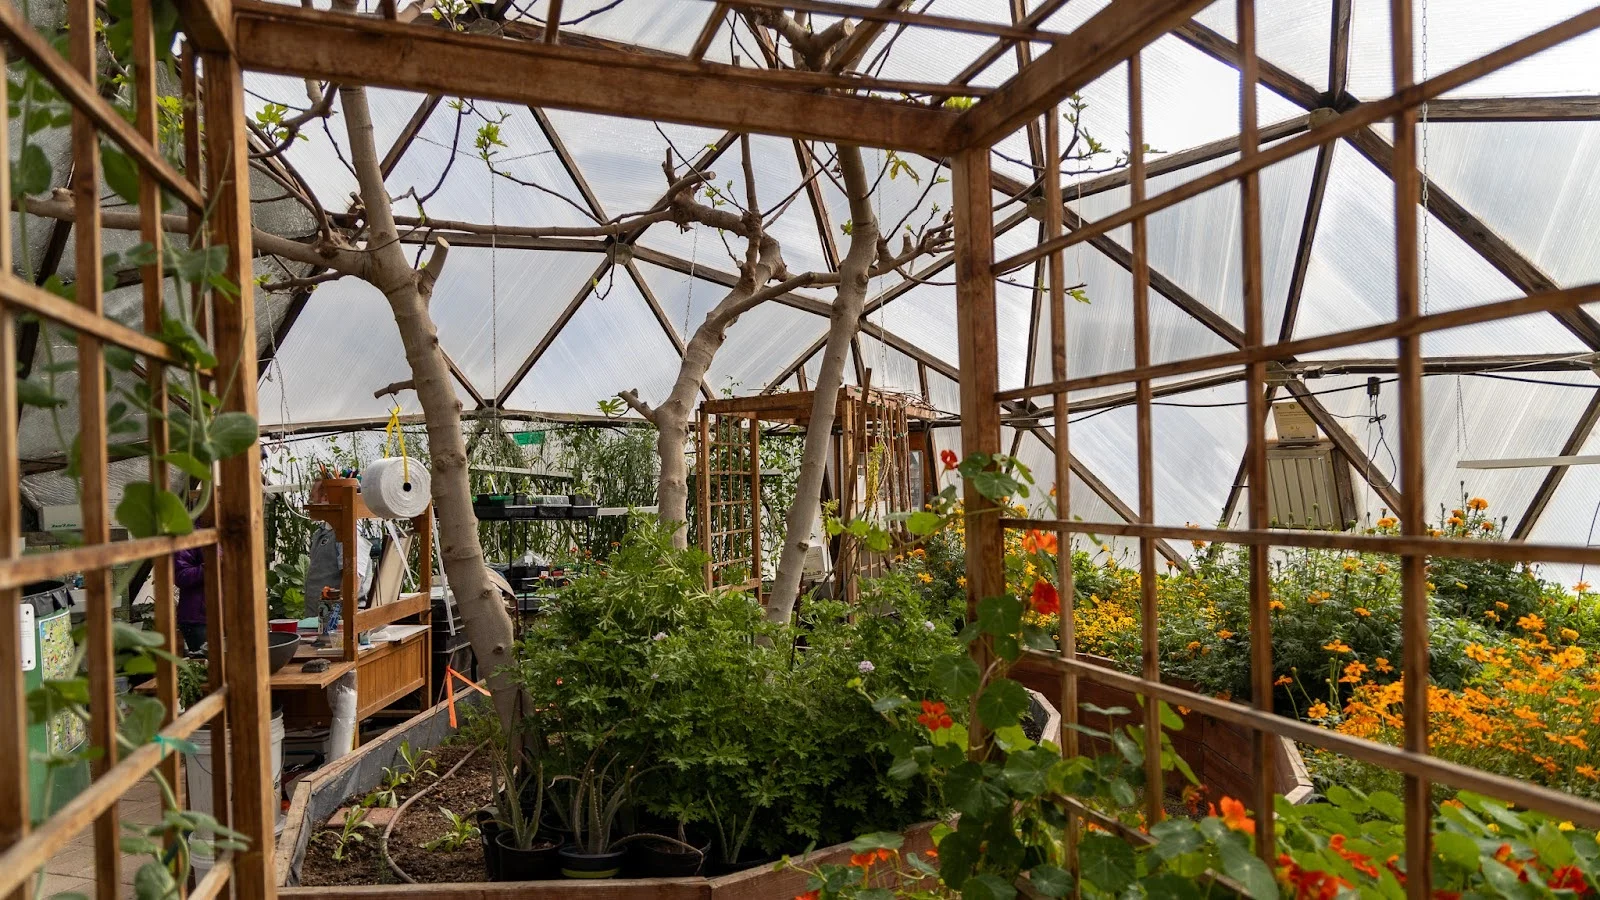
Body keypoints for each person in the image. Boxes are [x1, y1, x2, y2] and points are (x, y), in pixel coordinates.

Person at [173, 548, 209, 654]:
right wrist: (213, 564)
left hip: (225, 615)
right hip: (198, 620)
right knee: (206, 666)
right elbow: (181, 576)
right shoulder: (190, 537)